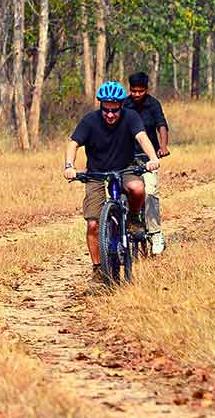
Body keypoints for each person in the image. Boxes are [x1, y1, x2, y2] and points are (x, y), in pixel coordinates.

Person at [64, 81, 160, 282]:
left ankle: (134, 219)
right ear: (101, 106)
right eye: (106, 110)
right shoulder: (90, 121)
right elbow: (73, 143)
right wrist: (69, 166)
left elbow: (142, 138)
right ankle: (98, 268)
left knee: (137, 188)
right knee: (92, 224)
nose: (110, 115)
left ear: (121, 107)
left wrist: (152, 159)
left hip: (125, 168)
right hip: (96, 173)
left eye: (114, 110)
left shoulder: (131, 117)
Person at [125, 71, 170, 255]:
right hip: (126, 156)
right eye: (134, 91)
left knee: (150, 192)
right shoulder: (124, 105)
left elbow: (162, 125)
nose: (137, 94)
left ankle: (155, 232)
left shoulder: (153, 104)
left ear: (146, 89)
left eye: (140, 91)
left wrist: (163, 147)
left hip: (147, 157)